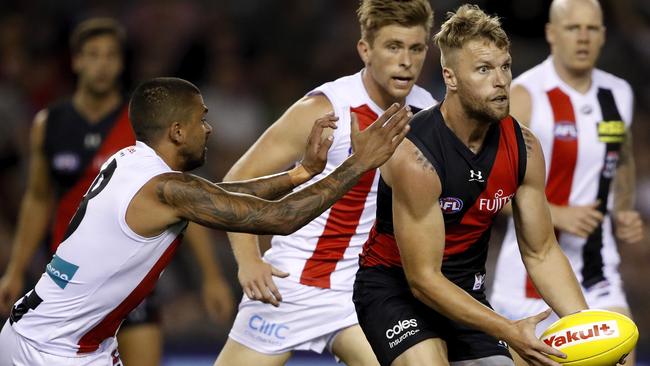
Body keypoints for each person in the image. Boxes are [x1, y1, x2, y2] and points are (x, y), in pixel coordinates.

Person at [0, 77, 412, 365]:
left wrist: (299, 173)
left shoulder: (130, 163)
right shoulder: (166, 189)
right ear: (178, 131)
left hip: (45, 334)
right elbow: (282, 220)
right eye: (202, 119)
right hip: (55, 351)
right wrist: (359, 163)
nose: (209, 128)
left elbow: (224, 199)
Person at [353, 5, 590, 366]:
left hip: (465, 290)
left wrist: (587, 330)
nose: (501, 81)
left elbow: (541, 252)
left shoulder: (524, 147)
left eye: (505, 66)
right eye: (483, 69)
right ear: (450, 78)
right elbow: (423, 280)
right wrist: (509, 331)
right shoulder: (415, 155)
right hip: (394, 289)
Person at [0, 18, 234, 366]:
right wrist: (16, 267)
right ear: (76, 61)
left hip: (128, 282)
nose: (102, 65)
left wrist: (211, 276)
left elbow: (185, 201)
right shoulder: (50, 125)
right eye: (93, 55)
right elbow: (37, 199)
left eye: (111, 56)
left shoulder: (143, 128)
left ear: (122, 63)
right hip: (71, 281)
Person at [215, 1, 436, 365]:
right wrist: (249, 259)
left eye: (416, 49)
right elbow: (237, 182)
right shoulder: (324, 109)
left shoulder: (426, 112)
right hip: (292, 284)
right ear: (365, 50)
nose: (406, 61)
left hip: (362, 292)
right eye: (393, 47)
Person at [490, 0, 643, 364]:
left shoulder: (618, 93)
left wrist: (623, 210)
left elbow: (621, 160)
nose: (583, 38)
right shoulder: (526, 96)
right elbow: (490, 188)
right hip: (526, 278)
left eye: (592, 28)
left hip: (596, 270)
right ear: (551, 33)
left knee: (623, 352)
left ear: (604, 35)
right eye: (573, 28)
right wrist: (554, 214)